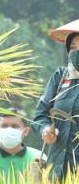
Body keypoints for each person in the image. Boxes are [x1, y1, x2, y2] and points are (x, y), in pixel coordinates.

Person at [33, 19, 79, 179]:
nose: (76, 52)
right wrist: (45, 130)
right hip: (56, 172)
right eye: (73, 48)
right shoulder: (60, 77)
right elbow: (40, 115)